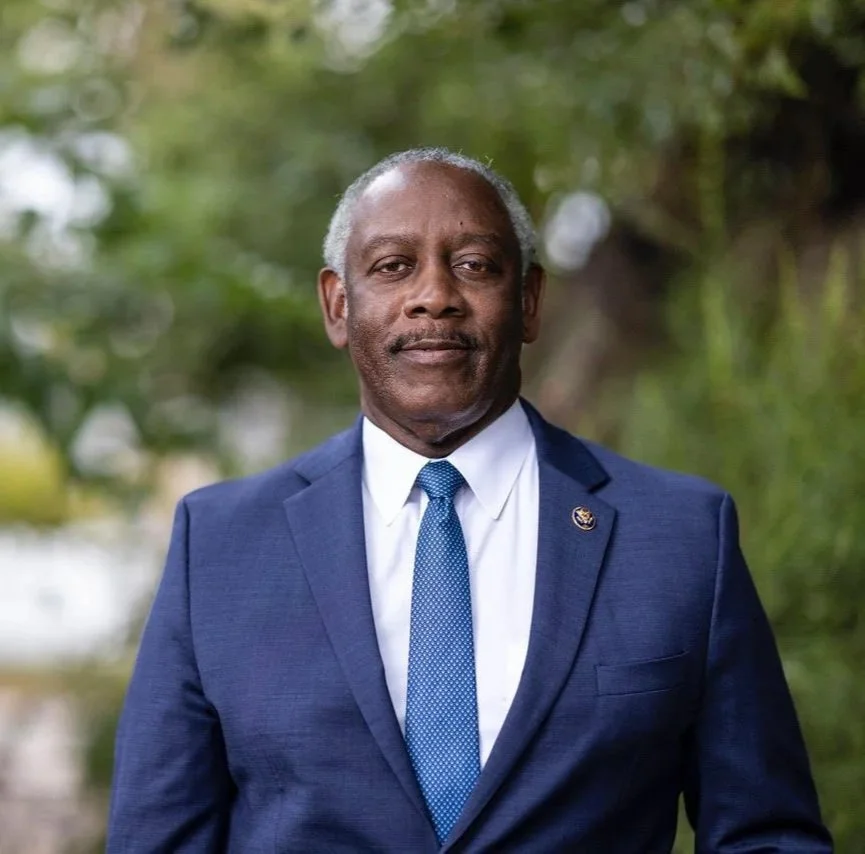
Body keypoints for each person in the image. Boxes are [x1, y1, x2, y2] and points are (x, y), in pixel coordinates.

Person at [107, 147, 832, 853]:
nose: (434, 296)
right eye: (393, 267)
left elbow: (765, 833)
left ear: (528, 302)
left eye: (474, 266)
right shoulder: (222, 545)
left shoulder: (681, 538)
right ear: (337, 306)